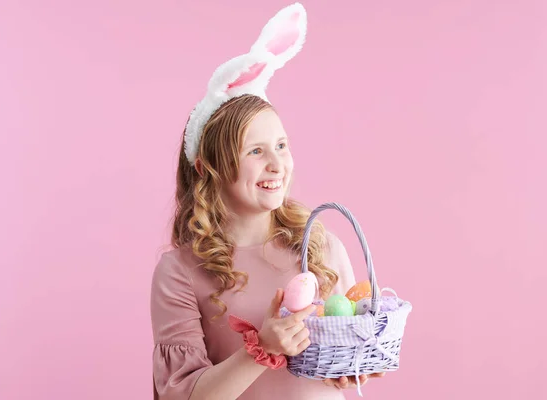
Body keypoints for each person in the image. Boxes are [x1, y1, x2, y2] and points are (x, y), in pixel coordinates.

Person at [150, 4, 384, 399]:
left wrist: (351, 367)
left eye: (281, 145)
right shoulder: (180, 273)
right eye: (255, 151)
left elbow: (344, 357)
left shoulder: (321, 248)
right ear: (207, 167)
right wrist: (261, 349)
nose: (277, 164)